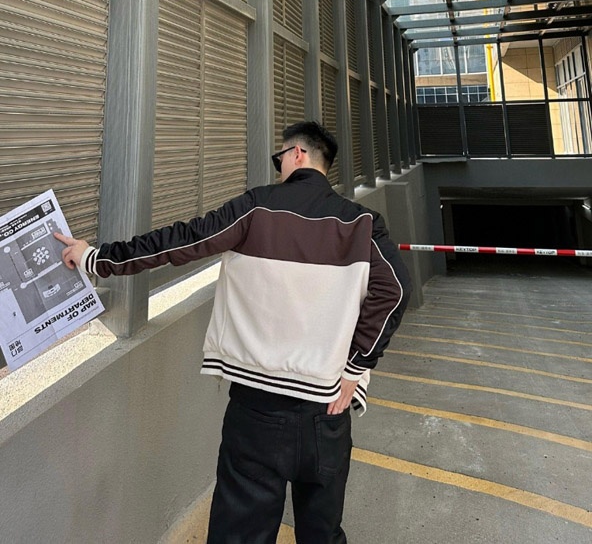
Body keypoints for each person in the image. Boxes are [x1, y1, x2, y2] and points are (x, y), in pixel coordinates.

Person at [56, 121, 412, 544]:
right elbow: (396, 290)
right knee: (322, 533)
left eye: (279, 158)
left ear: (297, 155)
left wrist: (97, 258)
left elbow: (181, 242)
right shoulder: (362, 223)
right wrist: (355, 367)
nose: (279, 167)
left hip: (257, 410)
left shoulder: (257, 207)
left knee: (239, 535)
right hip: (327, 411)